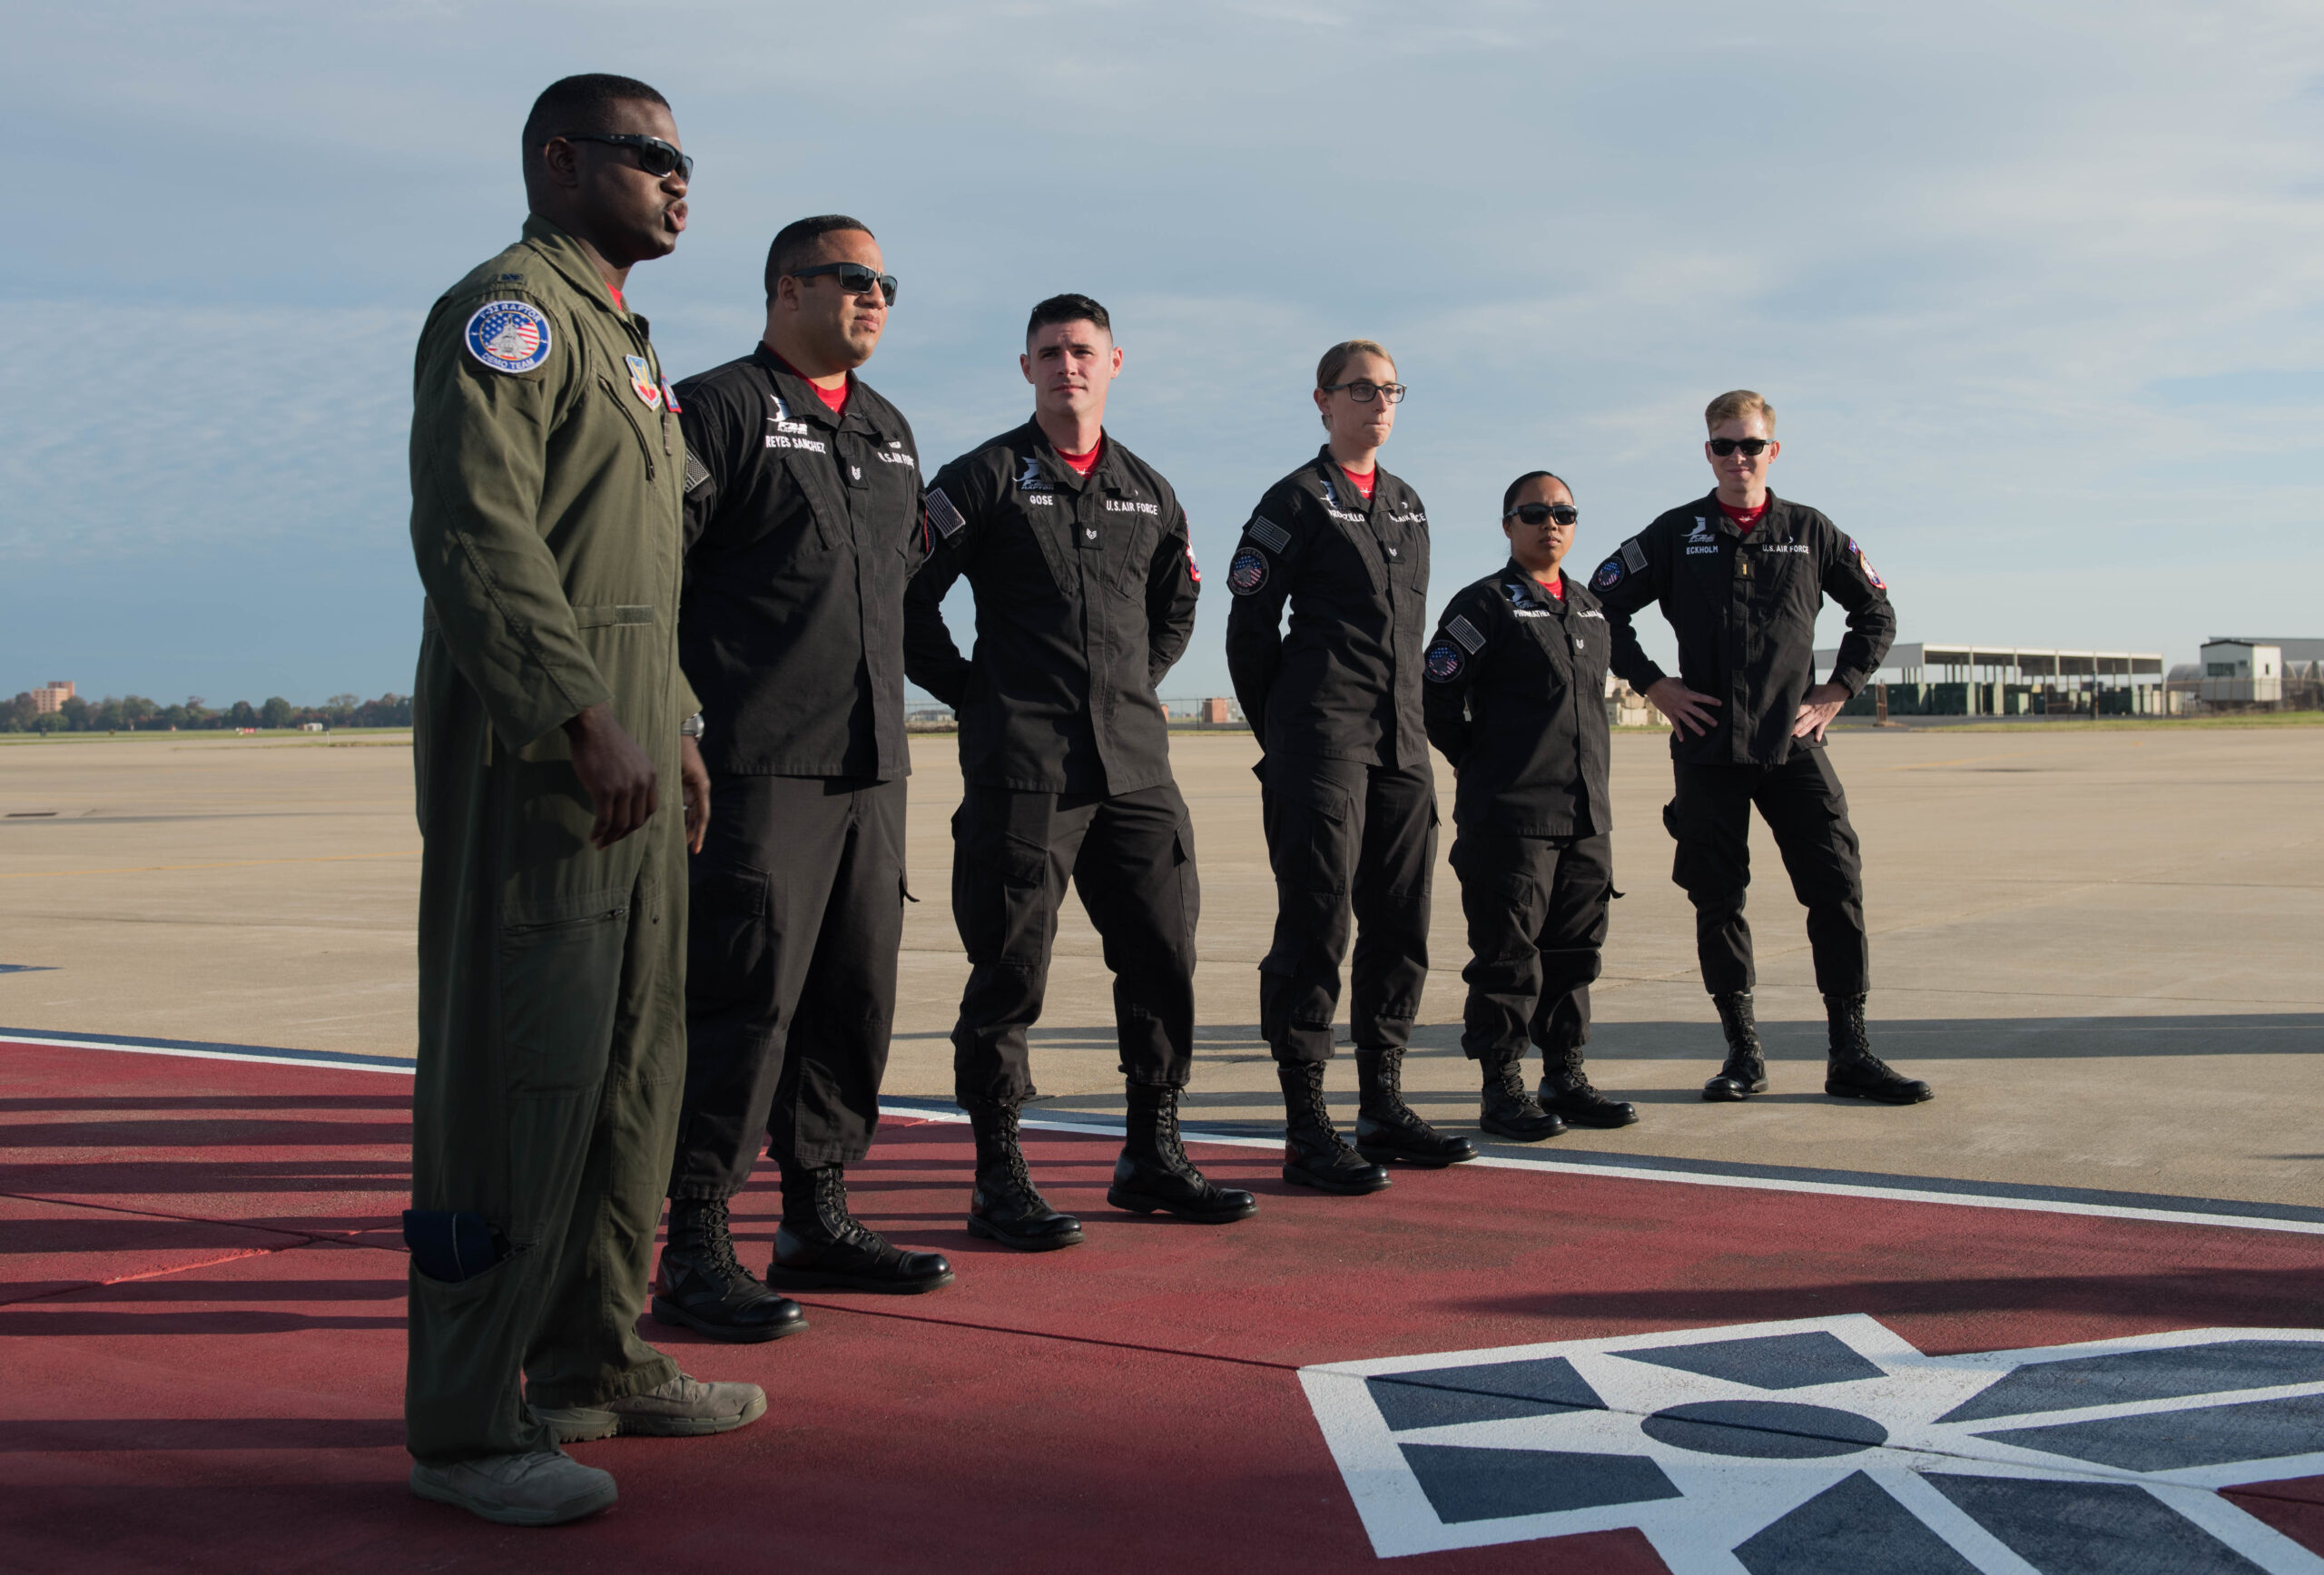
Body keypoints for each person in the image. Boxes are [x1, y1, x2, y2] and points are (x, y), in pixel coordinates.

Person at [403, 74, 762, 1528]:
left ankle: (591, 1355)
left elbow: (636, 567)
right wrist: (573, 710)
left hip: (628, 748)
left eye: (686, 161)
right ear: (561, 161)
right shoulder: (511, 313)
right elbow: (477, 532)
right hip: (537, 766)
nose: (681, 181)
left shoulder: (625, 339)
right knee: (519, 1080)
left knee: (631, 1064)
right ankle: (469, 1425)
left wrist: (667, 716)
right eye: (651, 156)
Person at [652, 215, 951, 1342]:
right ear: (786, 289)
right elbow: (650, 563)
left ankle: (817, 1215)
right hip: (756, 763)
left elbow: (900, 586)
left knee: (849, 1001)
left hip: (872, 764)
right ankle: (693, 1244)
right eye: (852, 278)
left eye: (886, 283)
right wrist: (670, 715)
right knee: (742, 1005)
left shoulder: (886, 428)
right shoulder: (718, 408)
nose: (875, 298)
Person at [903, 293, 1256, 1245]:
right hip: (1024, 770)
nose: (1068, 365)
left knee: (1160, 959)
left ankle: (1153, 1151)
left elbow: (1175, 607)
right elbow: (905, 592)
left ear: (1115, 363)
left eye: (1083, 351)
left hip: (1136, 771)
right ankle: (998, 1173)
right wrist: (974, 692)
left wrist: (1130, 687)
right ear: (1026, 369)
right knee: (1010, 969)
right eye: (1050, 352)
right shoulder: (979, 477)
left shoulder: (1151, 488)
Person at [1590, 390, 1931, 1106]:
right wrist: (1654, 685)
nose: (1738, 457)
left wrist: (1838, 689)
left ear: (1774, 450)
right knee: (1718, 899)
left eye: (1750, 445)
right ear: (1707, 452)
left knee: (1837, 887)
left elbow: (1875, 610)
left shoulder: (1809, 531)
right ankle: (1742, 1053)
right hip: (1706, 746)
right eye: (1724, 445)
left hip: (1793, 743)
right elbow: (1600, 605)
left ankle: (1851, 1052)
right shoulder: (1678, 532)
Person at [1224, 340, 1472, 1195]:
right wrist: (1287, 733)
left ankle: (1383, 1105)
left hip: (1402, 746)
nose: (1379, 402)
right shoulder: (1293, 501)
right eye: (1361, 389)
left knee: (1402, 926)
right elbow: (1249, 631)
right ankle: (1306, 1125)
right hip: (1322, 743)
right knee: (1317, 928)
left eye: (1391, 389)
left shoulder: (1406, 504)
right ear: (1324, 402)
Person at [1423, 473, 1637, 1139]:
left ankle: (1564, 1074)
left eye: (1564, 512)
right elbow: (1435, 697)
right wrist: (1484, 765)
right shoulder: (1484, 604)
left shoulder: (1590, 607)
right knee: (1508, 958)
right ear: (1508, 524)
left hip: (1584, 816)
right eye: (1535, 512)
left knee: (1575, 954)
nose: (1552, 522)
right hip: (1509, 818)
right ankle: (1502, 1085)